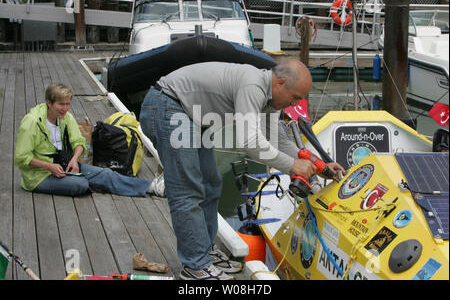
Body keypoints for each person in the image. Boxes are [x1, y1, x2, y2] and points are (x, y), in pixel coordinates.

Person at [139, 60, 346, 280]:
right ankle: (195, 265)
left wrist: (319, 165)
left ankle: (204, 251)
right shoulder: (253, 86)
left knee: (211, 183)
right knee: (187, 190)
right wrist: (293, 166)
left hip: (190, 116)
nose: (292, 105)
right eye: (294, 98)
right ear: (280, 83)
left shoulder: (269, 99)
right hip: (168, 106)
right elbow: (251, 144)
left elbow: (277, 141)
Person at [14, 83, 164, 198]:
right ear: (49, 102)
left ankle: (151, 187)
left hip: (64, 165)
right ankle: (95, 184)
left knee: (107, 173)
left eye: (68, 104)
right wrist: (49, 166)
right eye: (61, 104)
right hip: (39, 175)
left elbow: (79, 142)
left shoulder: (66, 117)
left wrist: (74, 159)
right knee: (80, 184)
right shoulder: (32, 122)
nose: (65, 108)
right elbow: (21, 158)